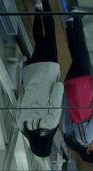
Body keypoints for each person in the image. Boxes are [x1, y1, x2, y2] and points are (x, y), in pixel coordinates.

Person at [16, 3, 63, 159]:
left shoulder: (50, 124)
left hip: (48, 71)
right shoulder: (22, 125)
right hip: (31, 73)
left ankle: (45, 3)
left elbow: (57, 94)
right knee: (38, 41)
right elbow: (20, 98)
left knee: (50, 35)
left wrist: (60, 84)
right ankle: (37, 9)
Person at [61, 12, 93, 163]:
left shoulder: (86, 139)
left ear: (89, 151)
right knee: (77, 55)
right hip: (70, 88)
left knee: (83, 52)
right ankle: (70, 24)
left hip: (81, 88)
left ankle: (76, 18)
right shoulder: (69, 138)